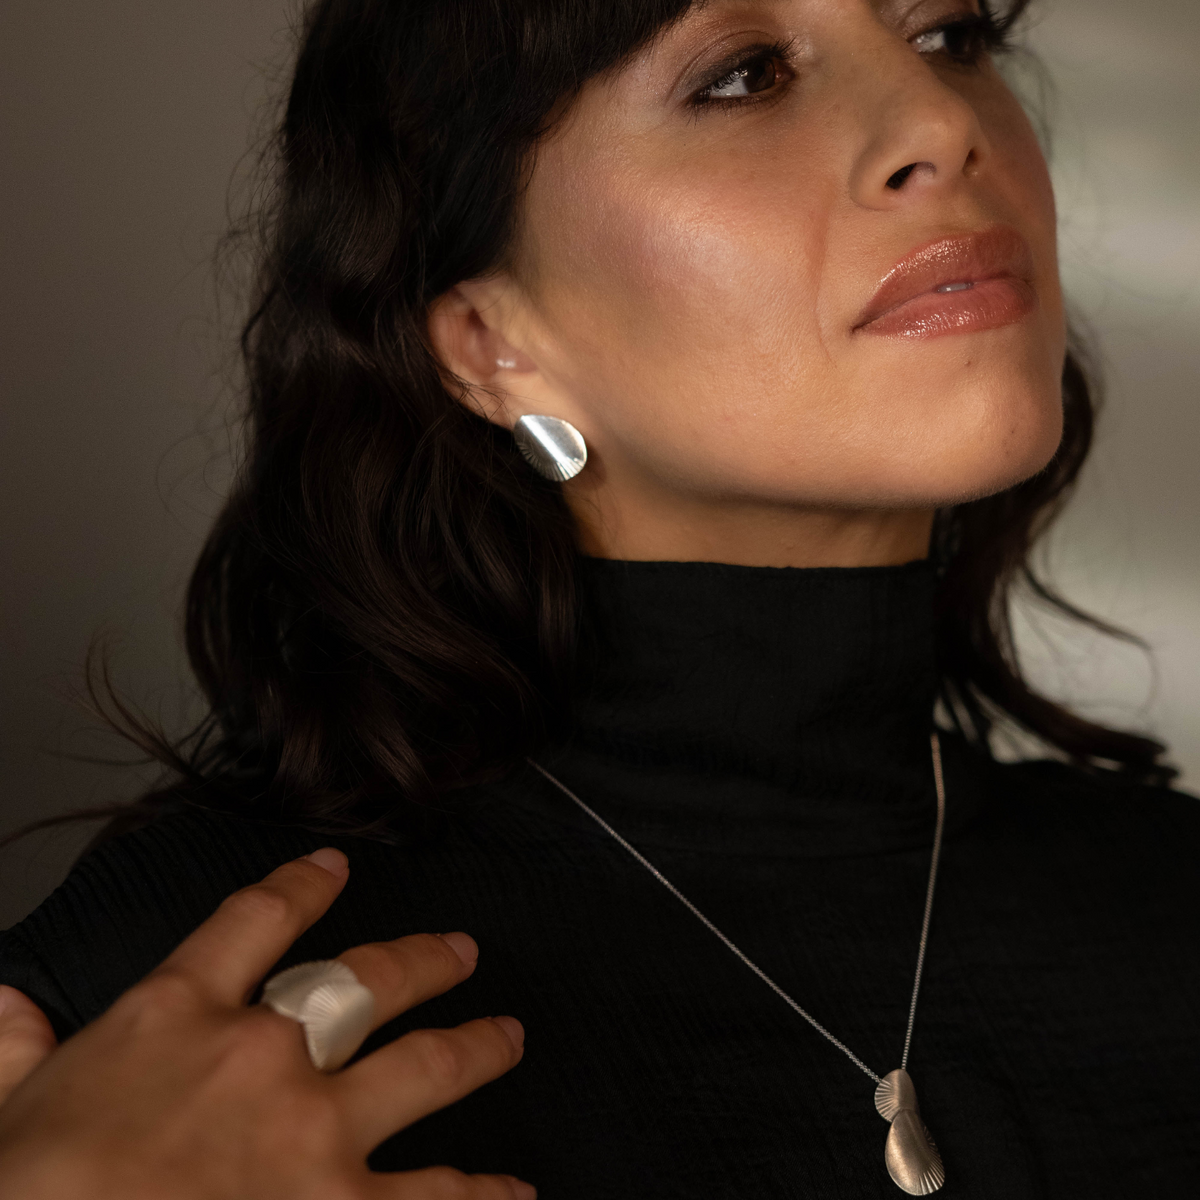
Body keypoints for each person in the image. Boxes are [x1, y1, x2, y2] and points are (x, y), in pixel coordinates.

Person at [0, 0, 1196, 1195]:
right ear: (487, 340)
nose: (943, 120)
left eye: (950, 35)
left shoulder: (1164, 909)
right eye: (743, 75)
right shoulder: (193, 992)